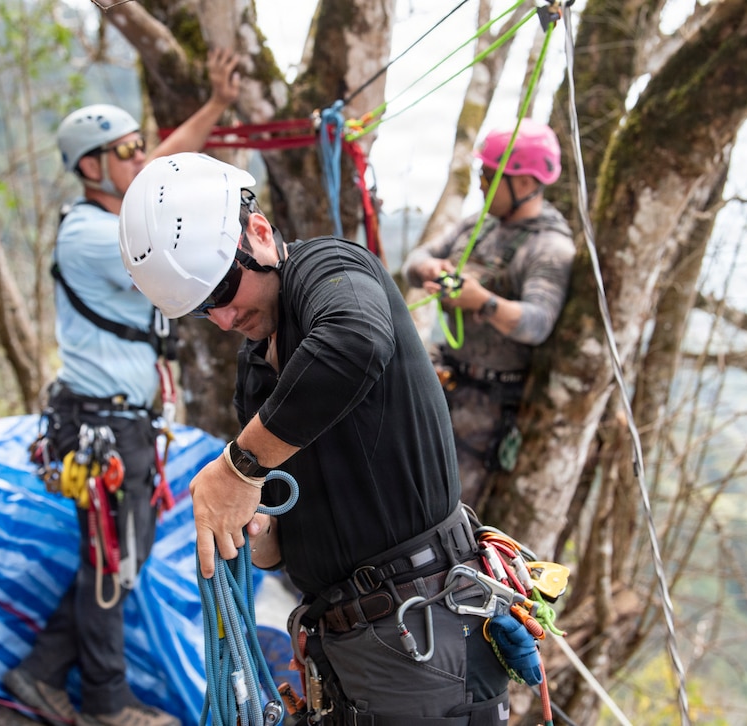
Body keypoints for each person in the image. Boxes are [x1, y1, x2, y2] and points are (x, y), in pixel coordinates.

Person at [117, 152, 511, 725]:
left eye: (224, 288)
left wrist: (237, 470)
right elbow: (283, 511)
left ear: (257, 233)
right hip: (346, 643)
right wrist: (265, 530)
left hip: (419, 631)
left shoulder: (330, 270)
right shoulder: (258, 369)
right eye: (203, 310)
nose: (223, 319)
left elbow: (354, 343)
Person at [2, 49, 241, 726]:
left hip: (122, 422)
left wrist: (215, 109)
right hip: (104, 427)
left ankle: (40, 673)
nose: (142, 158)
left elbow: (162, 161)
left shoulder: (114, 212)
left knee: (113, 562)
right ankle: (106, 704)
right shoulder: (91, 236)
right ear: (91, 168)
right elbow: (166, 225)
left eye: (139, 145)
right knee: (115, 563)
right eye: (125, 151)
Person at [402, 118, 575, 509]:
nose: (481, 182)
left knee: (440, 504)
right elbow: (416, 261)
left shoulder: (549, 248)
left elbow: (538, 322)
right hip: (439, 373)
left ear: (526, 183)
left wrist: (484, 302)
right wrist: (431, 269)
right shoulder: (478, 226)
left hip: (484, 406)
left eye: (490, 174)